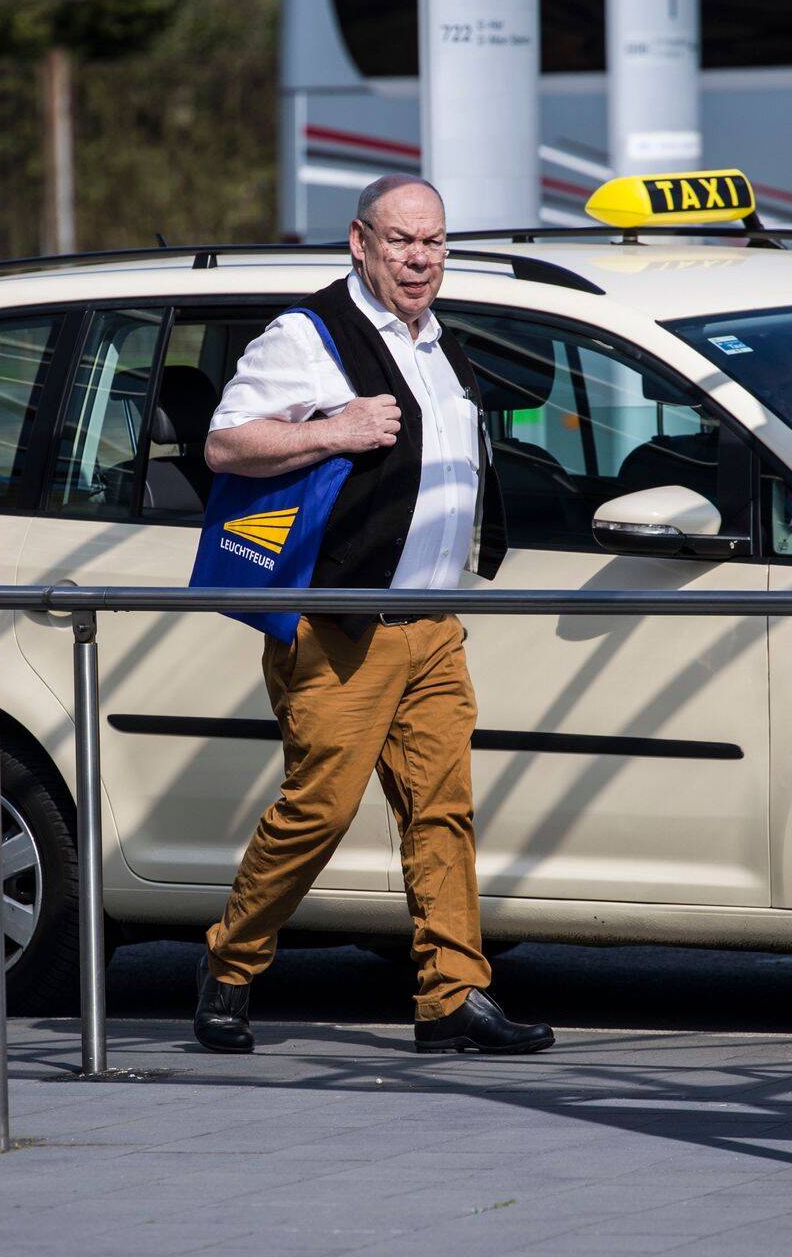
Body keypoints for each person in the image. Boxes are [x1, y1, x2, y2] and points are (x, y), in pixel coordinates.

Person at [192, 175, 555, 1056]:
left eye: (433, 242)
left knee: (443, 810)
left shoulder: (438, 343)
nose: (421, 259)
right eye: (401, 241)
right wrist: (333, 429)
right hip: (341, 623)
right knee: (320, 808)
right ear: (360, 242)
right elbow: (224, 443)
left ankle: (452, 996)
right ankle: (231, 966)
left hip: (431, 624)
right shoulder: (308, 335)